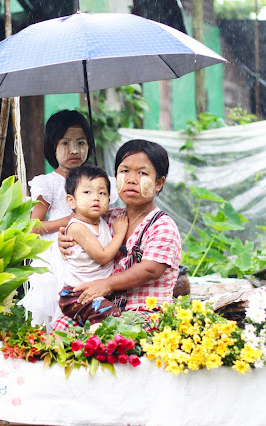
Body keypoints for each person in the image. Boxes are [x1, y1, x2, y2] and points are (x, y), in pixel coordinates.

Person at [54, 139, 181, 331]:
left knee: (112, 340)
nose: (131, 179)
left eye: (142, 173)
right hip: (101, 310)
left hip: (145, 312)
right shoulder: (108, 218)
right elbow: (78, 223)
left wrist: (107, 284)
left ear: (158, 183)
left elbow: (150, 270)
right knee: (59, 330)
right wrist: (64, 237)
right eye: (124, 171)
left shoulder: (163, 226)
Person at [18, 110, 117, 328]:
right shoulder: (49, 183)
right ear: (52, 147)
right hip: (61, 255)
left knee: (94, 308)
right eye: (65, 143)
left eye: (81, 142)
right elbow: (34, 227)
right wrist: (70, 220)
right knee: (63, 310)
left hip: (93, 252)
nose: (74, 150)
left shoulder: (97, 181)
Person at [58, 165, 128, 326]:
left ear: (109, 201)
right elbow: (103, 257)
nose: (96, 197)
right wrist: (119, 234)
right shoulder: (77, 227)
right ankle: (92, 347)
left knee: (105, 319)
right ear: (71, 200)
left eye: (102, 193)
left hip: (95, 293)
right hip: (76, 295)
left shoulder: (100, 221)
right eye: (87, 192)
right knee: (111, 317)